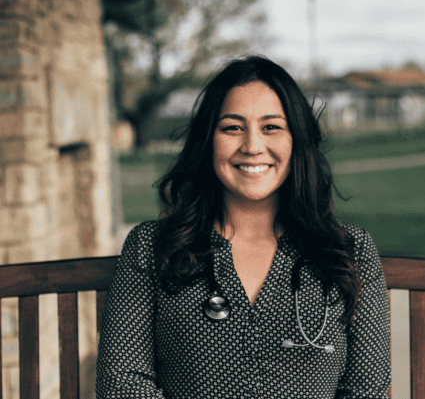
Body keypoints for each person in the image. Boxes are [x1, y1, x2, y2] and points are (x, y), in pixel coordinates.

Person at [96, 55, 391, 398]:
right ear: (209, 140)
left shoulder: (350, 250)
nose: (252, 146)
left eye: (271, 127)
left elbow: (365, 389)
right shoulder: (151, 246)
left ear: (296, 140)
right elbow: (122, 383)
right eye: (233, 127)